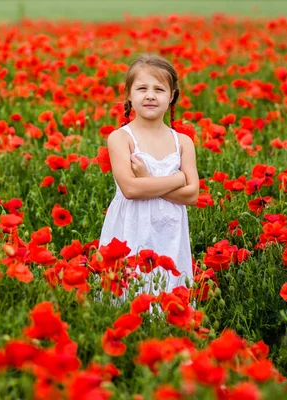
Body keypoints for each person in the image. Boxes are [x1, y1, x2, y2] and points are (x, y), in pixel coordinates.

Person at [99, 53, 199, 298]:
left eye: (159, 89)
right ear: (129, 95)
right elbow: (131, 190)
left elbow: (193, 194)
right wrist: (177, 179)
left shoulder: (183, 142)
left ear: (172, 95)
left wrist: (146, 179)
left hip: (171, 233)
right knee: (132, 292)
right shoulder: (120, 138)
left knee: (168, 292)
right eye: (142, 88)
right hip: (131, 228)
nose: (151, 95)